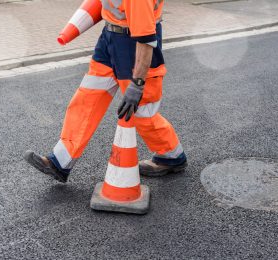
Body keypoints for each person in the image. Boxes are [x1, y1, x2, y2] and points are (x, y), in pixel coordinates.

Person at [24, 0, 187, 182]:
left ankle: (171, 155)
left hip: (135, 47)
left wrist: (138, 83)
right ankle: (59, 161)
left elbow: (146, 38)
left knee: (143, 113)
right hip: (110, 38)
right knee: (87, 98)